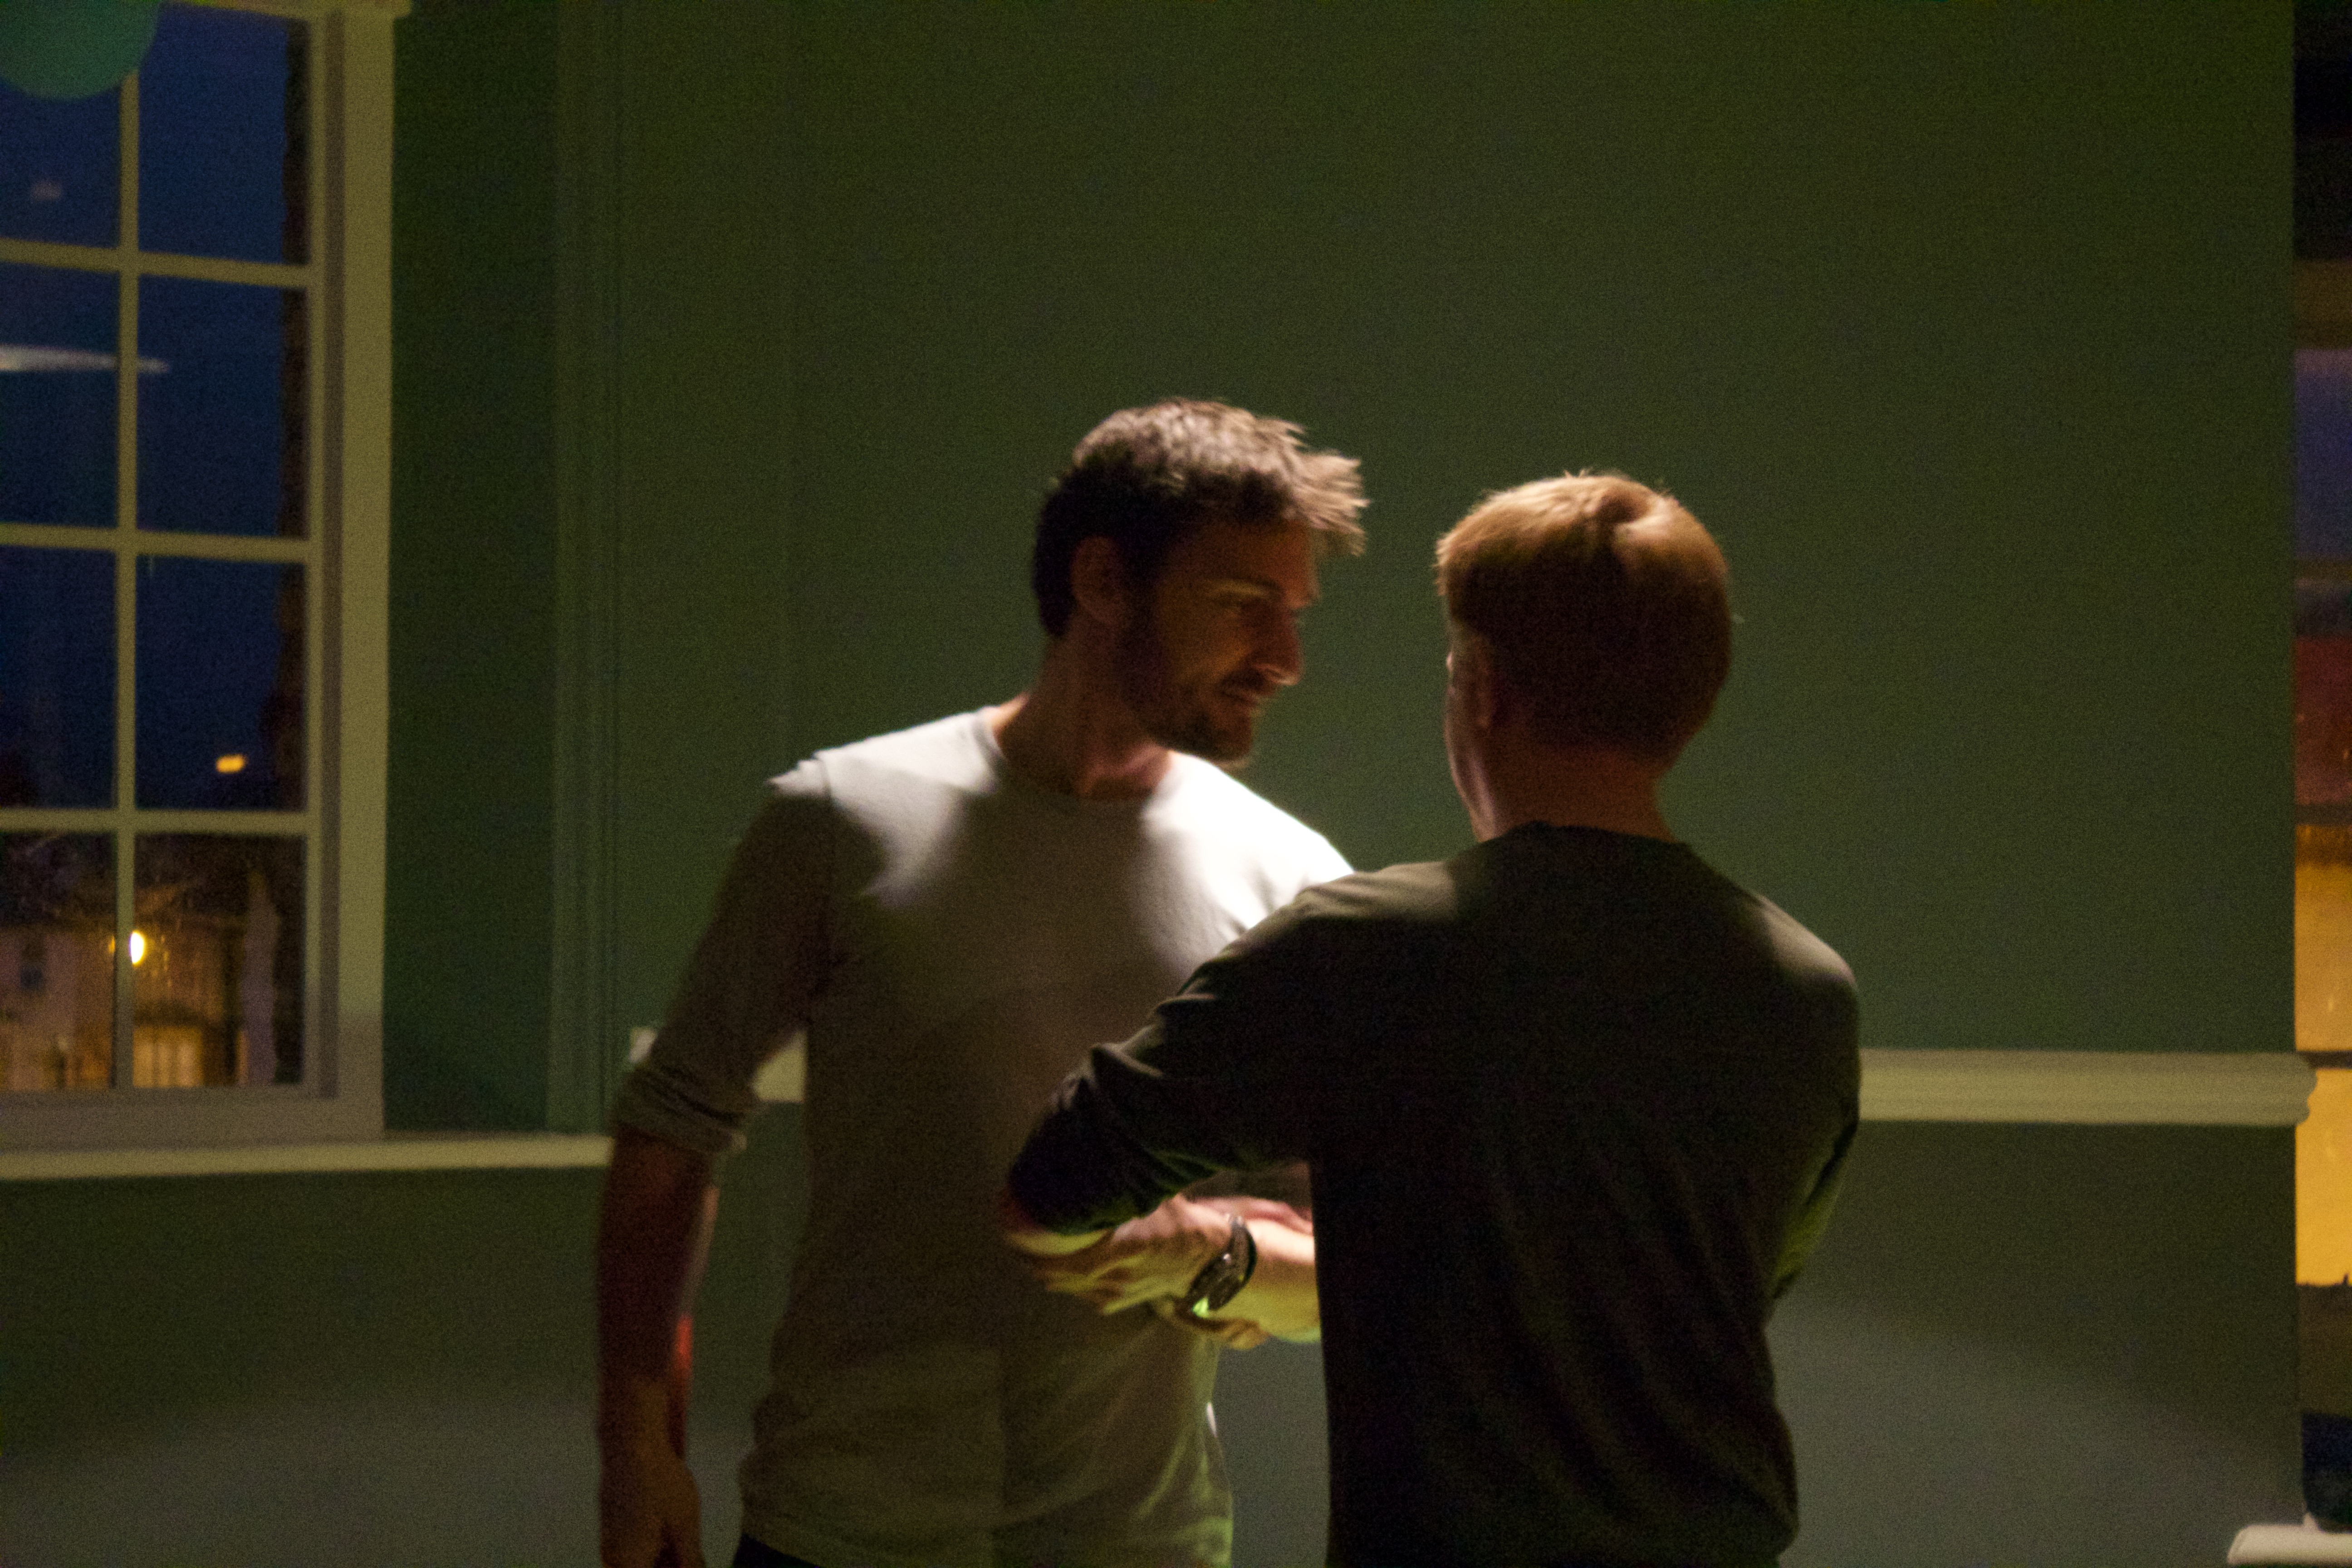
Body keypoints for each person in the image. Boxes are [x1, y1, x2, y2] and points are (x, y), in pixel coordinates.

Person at [1003, 472, 1860, 1568]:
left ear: (1485, 692)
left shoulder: (1364, 950)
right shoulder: (1805, 993)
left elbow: (1053, 1191)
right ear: (1692, 707)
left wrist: (1213, 1254)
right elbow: (1740, 1287)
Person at [596, 398, 1367, 1568]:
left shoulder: (1291, 880)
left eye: (1294, 613)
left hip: (1139, 1546)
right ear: (1103, 581)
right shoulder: (841, 822)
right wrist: (633, 1440)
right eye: (1240, 603)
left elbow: (1346, 1264)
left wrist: (1212, 1260)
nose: (1285, 659)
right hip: (841, 1533)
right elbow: (672, 1125)